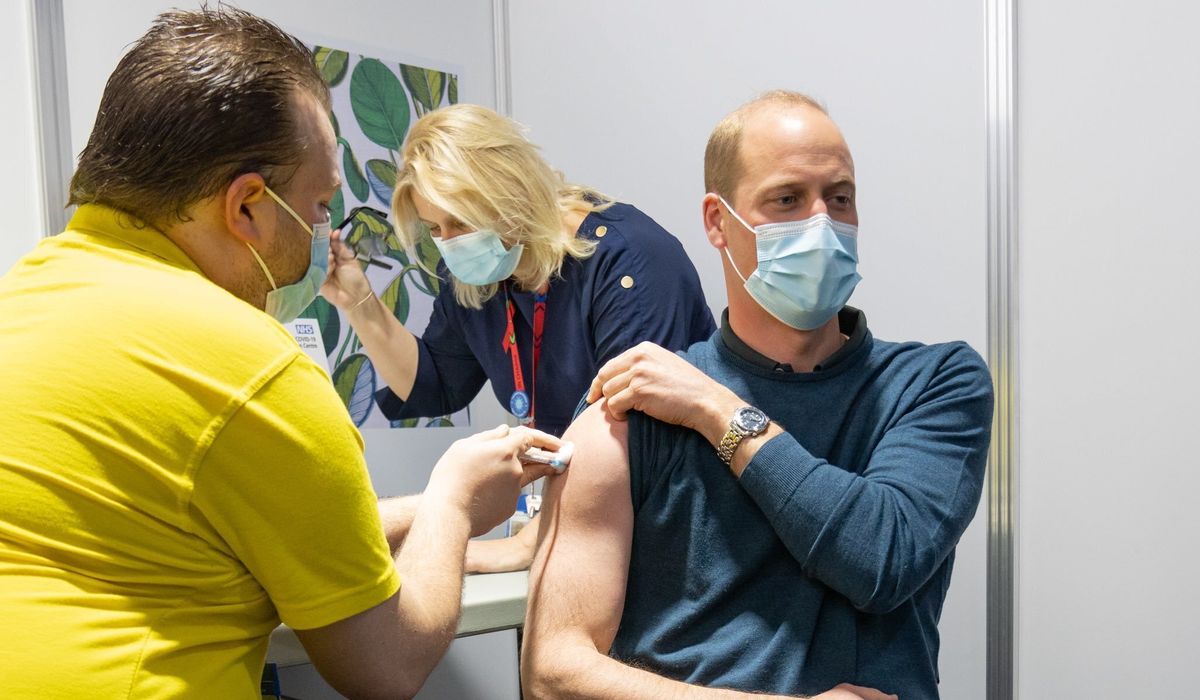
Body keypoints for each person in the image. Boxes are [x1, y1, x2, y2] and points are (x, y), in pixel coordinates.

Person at [0, 8, 559, 699]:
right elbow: (384, 665)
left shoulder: (25, 295)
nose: (325, 230)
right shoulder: (252, 367)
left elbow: (246, 528)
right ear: (247, 206)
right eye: (321, 205)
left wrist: (435, 504)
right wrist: (452, 500)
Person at [521, 91, 994, 699]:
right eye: (787, 199)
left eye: (840, 198)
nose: (822, 224)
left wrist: (719, 411)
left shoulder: (933, 382)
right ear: (717, 221)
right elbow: (552, 672)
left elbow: (881, 560)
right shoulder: (631, 410)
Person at [320, 103, 716, 571]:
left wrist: (527, 544)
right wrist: (359, 302)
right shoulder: (482, 274)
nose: (450, 242)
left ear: (511, 192)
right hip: (583, 531)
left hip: (676, 530)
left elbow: (636, 435)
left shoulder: (628, 260)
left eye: (460, 221)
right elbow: (436, 384)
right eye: (435, 229)